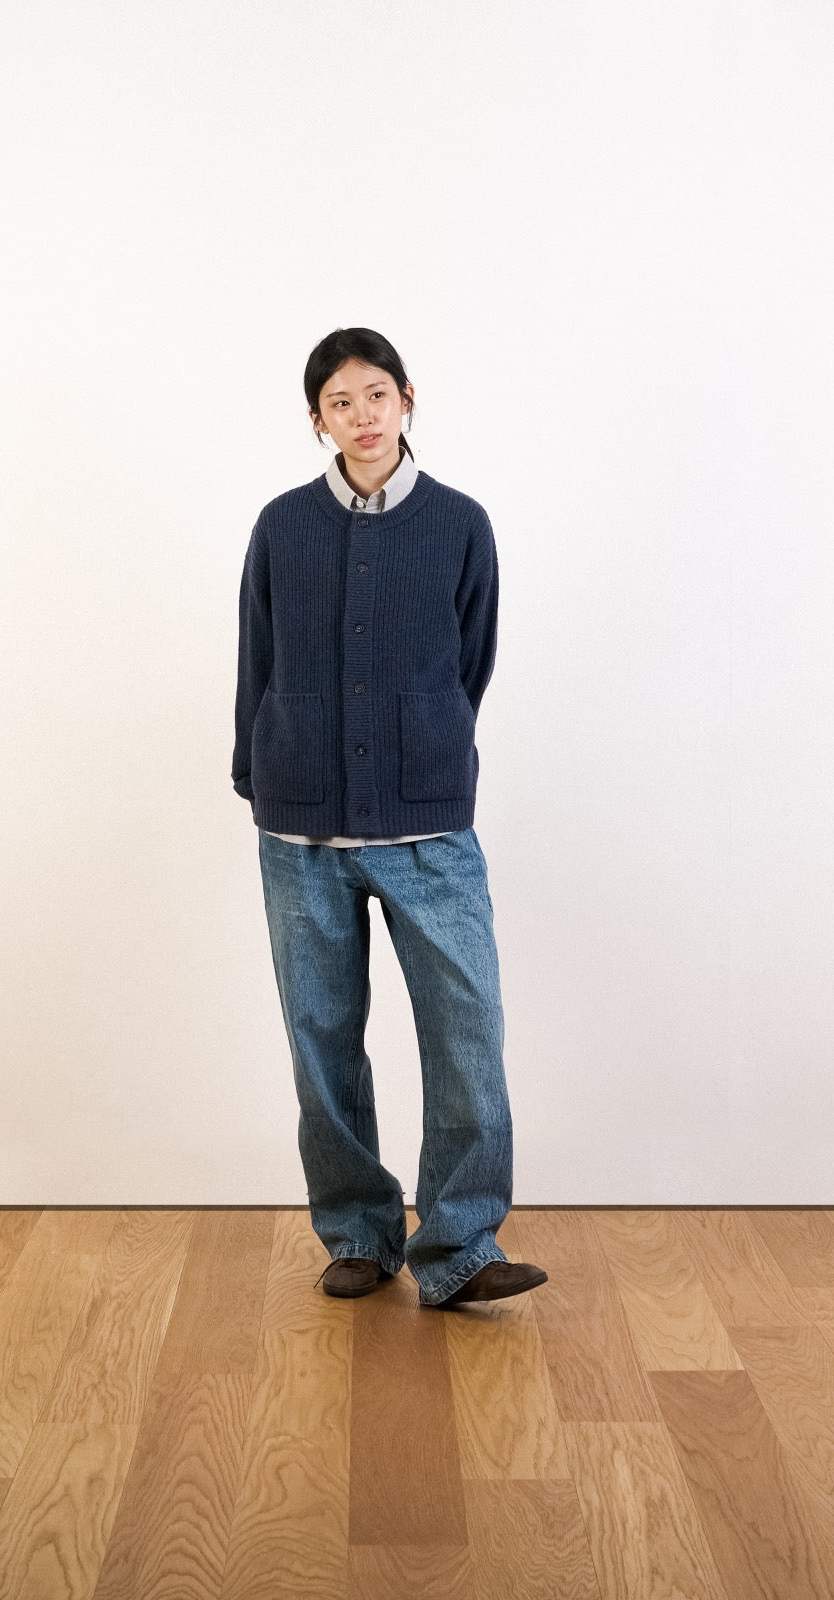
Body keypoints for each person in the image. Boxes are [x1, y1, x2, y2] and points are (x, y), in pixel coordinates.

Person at [232, 326, 547, 1309]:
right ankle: (360, 1235)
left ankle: (459, 1248)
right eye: (340, 402)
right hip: (302, 831)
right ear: (317, 420)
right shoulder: (282, 526)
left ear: (408, 398)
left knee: (466, 1030)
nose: (361, 415)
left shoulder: (459, 523)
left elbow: (470, 661)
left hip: (428, 824)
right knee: (322, 1040)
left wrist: (430, 743)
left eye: (376, 394)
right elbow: (256, 656)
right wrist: (260, 772)